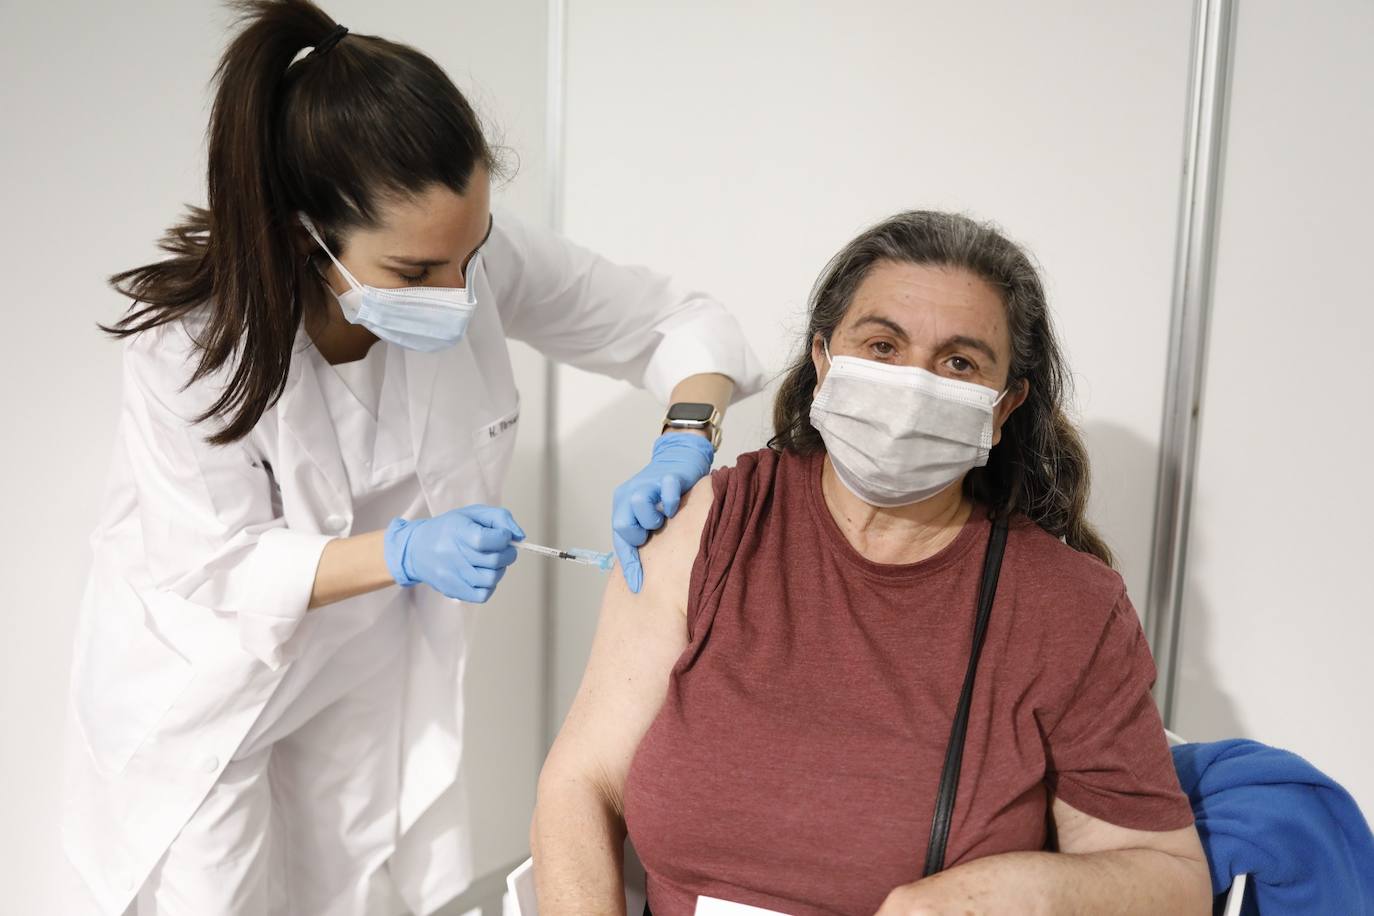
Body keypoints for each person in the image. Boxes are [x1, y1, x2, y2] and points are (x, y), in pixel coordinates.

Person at [61, 2, 762, 914]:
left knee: (349, 891)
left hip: (357, 677)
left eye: (470, 254)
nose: (461, 293)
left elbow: (678, 323)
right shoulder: (187, 351)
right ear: (303, 236)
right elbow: (215, 562)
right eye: (414, 273)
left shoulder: (466, 256)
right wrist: (403, 552)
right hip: (205, 687)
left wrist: (684, 436)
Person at [532, 210, 1212, 914]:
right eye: (883, 345)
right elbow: (581, 783)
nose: (912, 385)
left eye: (958, 362)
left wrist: (1018, 891)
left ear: (1003, 406)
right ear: (825, 360)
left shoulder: (1065, 608)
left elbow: (1170, 882)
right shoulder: (717, 523)